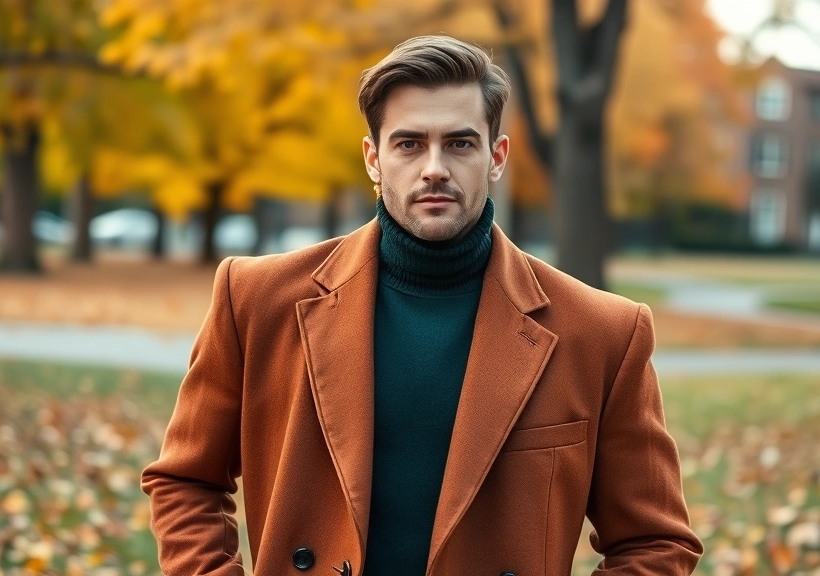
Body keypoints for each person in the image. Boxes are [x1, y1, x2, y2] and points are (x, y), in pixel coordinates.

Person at [141, 34, 702, 575]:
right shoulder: (258, 299)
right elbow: (186, 479)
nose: (434, 167)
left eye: (459, 143)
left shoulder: (601, 331)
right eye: (409, 143)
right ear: (373, 158)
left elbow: (655, 541)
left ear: (497, 156)